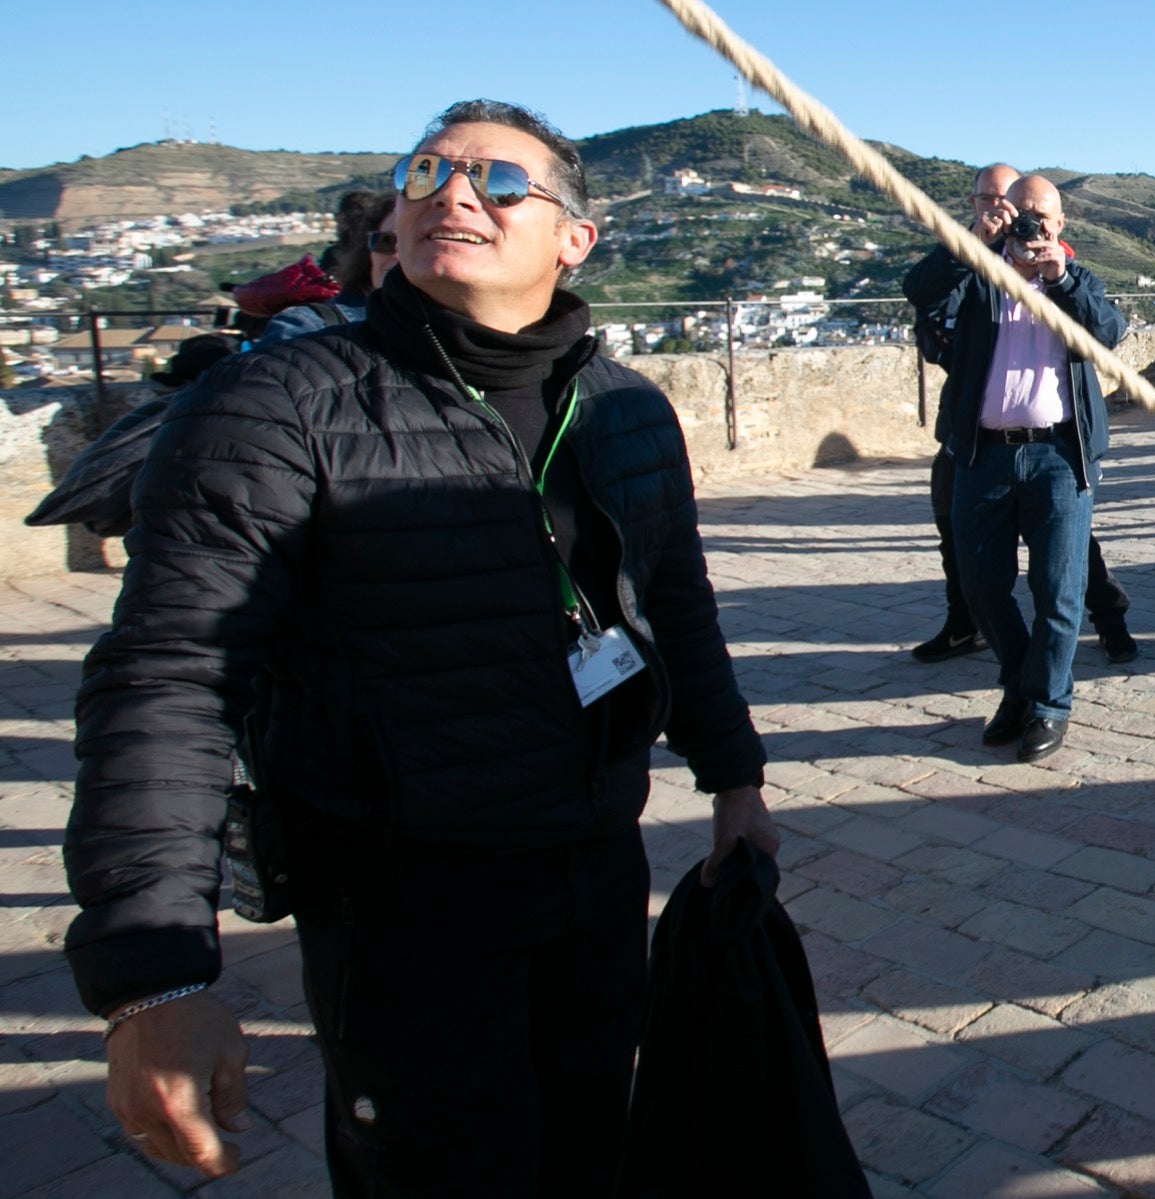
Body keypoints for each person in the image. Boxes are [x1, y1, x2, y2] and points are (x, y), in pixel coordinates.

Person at [63, 98, 778, 1195]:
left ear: (573, 237)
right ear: (391, 221)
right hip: (400, 903)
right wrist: (153, 974)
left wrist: (735, 779)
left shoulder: (627, 412)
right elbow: (170, 677)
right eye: (427, 170)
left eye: (498, 181)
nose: (453, 190)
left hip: (595, 859)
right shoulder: (272, 408)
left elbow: (674, 601)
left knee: (592, 1148)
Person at [903, 174, 1125, 762]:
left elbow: (1106, 336)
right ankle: (1021, 684)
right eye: (1017, 214)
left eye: (1041, 217)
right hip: (984, 453)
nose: (1030, 226)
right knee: (979, 585)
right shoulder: (977, 272)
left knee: (1059, 589)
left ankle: (1046, 702)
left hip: (1058, 455)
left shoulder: (1076, 279)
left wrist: (1061, 276)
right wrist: (971, 240)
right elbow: (919, 291)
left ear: (1060, 224)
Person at [257, 197, 400, 346]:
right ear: (367, 251)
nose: (399, 255)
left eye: (422, 241)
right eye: (386, 241)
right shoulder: (307, 329)